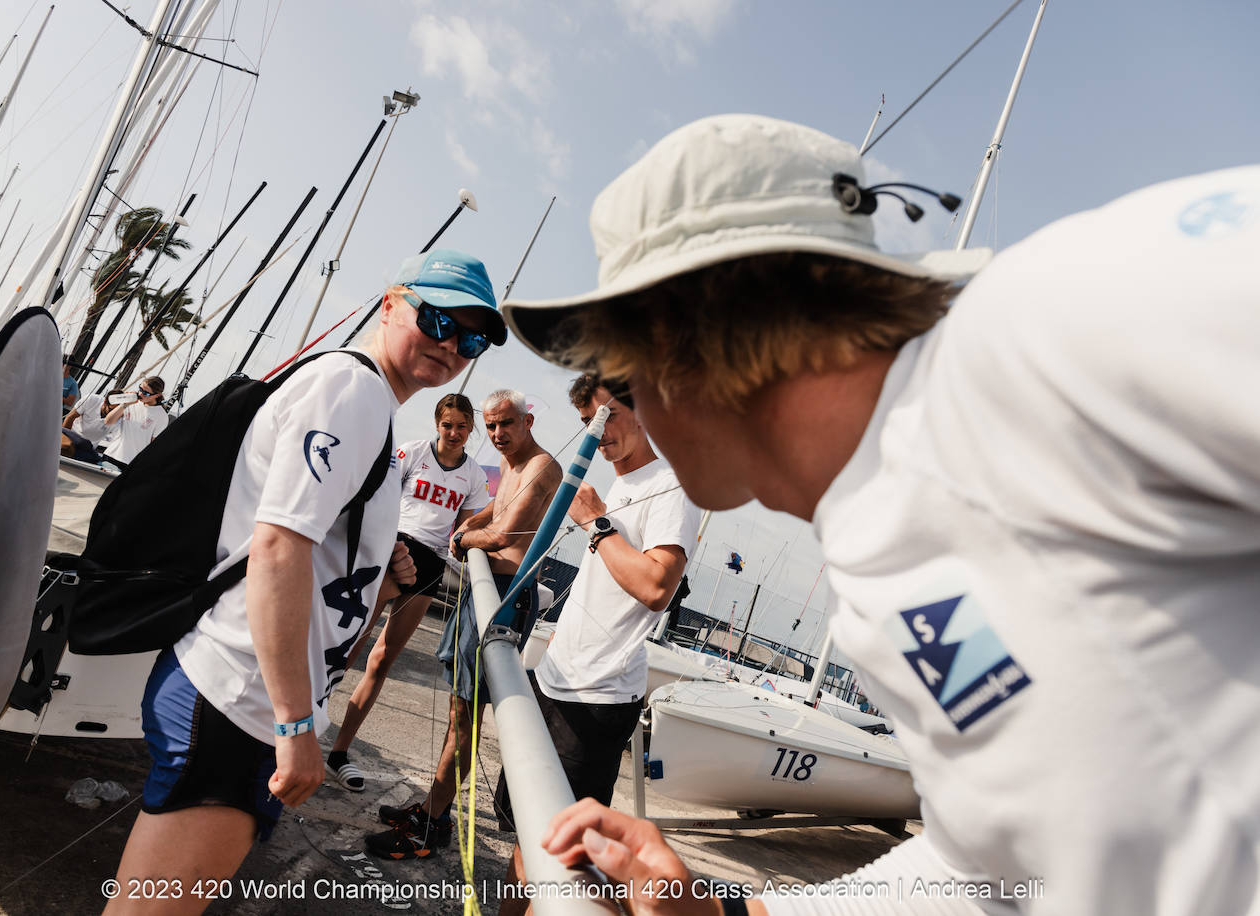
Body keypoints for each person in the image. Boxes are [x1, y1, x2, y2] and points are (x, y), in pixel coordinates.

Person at [503, 113, 1260, 915]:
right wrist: (720, 912)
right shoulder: (869, 577)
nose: (632, 409)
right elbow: (977, 871)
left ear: (687, 339)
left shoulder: (1038, 335)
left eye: (624, 373)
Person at [107, 249, 508, 914]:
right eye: (437, 318)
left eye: (469, 339)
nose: (449, 344)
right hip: (240, 700)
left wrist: (381, 575)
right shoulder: (350, 391)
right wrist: (295, 728)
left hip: (246, 700)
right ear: (390, 303)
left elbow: (310, 550)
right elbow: (276, 550)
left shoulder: (371, 405)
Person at [495, 373, 700, 916]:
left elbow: (657, 587)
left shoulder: (673, 486)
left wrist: (595, 523)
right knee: (524, 834)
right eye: (589, 421)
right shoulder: (621, 485)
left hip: (596, 697)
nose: (598, 432)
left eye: (608, 416)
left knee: (562, 858)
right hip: (556, 676)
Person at [364, 387, 561, 860]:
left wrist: (465, 537)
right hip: (483, 591)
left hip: (505, 599)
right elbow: (497, 508)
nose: (496, 434)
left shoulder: (542, 467)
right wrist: (468, 529)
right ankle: (435, 809)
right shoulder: (513, 466)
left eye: (504, 424)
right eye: (490, 426)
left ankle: (430, 826)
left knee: (466, 718)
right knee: (458, 711)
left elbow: (506, 532)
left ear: (527, 421)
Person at [324, 391, 492, 792]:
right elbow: (379, 497)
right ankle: (302, 723)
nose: (454, 432)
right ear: (437, 423)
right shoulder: (413, 453)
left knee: (383, 660)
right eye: (448, 424)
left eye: (462, 426)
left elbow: (464, 531)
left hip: (430, 565)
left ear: (471, 430)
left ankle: (340, 751)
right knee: (351, 644)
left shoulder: (473, 476)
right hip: (393, 549)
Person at [101, 376, 168, 466]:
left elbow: (154, 447)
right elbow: (108, 421)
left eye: (146, 393)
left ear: (157, 395)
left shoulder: (161, 416)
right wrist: (124, 404)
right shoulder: (130, 403)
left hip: (131, 463)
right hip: (110, 454)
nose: (140, 394)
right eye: (140, 388)